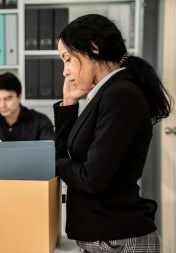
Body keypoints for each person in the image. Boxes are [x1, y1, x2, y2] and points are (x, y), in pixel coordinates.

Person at [54, 14, 172, 252]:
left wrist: (55, 163)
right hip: (106, 238)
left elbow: (91, 178)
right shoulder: (108, 93)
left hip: (118, 240)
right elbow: (69, 156)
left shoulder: (121, 95)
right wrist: (68, 104)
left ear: (94, 48)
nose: (65, 71)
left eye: (68, 59)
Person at [0, 72, 54, 142]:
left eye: (7, 98)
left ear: (19, 96)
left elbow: (49, 152)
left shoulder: (40, 122)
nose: (2, 105)